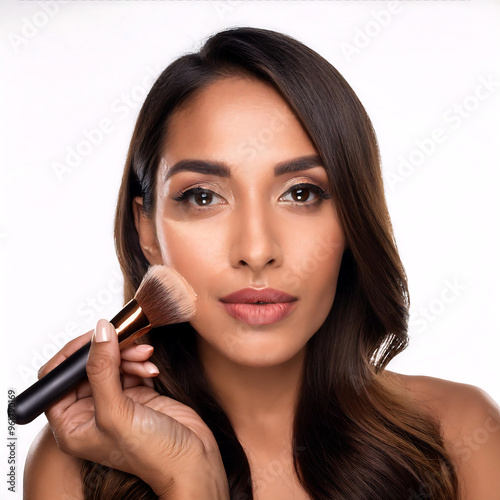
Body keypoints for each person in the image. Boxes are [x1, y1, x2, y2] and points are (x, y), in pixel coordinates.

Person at [24, 27, 500, 500]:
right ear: (147, 231)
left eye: (301, 193)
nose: (256, 250)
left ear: (354, 217)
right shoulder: (75, 466)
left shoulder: (460, 436)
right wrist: (185, 479)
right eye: (204, 196)